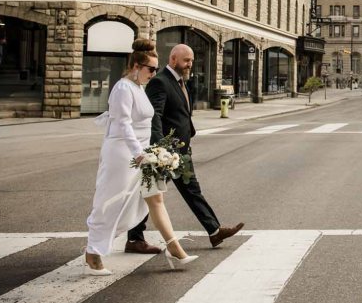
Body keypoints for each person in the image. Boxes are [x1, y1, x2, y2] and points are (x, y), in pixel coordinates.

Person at [85, 39, 197, 275]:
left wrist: (155, 150)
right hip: (123, 155)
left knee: (155, 198)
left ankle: (174, 247)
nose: (154, 73)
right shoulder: (123, 88)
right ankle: (93, 251)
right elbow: (123, 124)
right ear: (136, 66)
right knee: (110, 201)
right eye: (150, 69)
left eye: (156, 69)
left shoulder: (138, 88)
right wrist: (138, 153)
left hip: (144, 153)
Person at [125, 43, 243, 254]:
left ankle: (214, 231)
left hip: (180, 150)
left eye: (191, 60)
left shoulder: (179, 81)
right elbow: (155, 116)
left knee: (191, 190)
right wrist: (160, 149)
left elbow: (181, 113)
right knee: (150, 193)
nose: (190, 64)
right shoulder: (160, 82)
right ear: (173, 59)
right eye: (186, 60)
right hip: (167, 152)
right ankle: (134, 238)